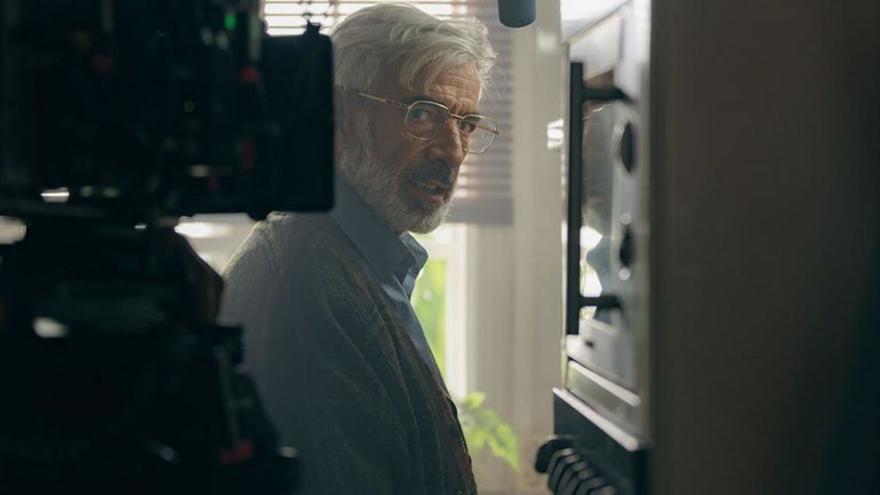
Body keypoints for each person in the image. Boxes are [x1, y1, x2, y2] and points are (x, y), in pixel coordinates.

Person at [220, 4, 497, 494]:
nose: (452, 150)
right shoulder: (312, 284)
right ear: (341, 115)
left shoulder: (353, 260)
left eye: (467, 123)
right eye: (423, 114)